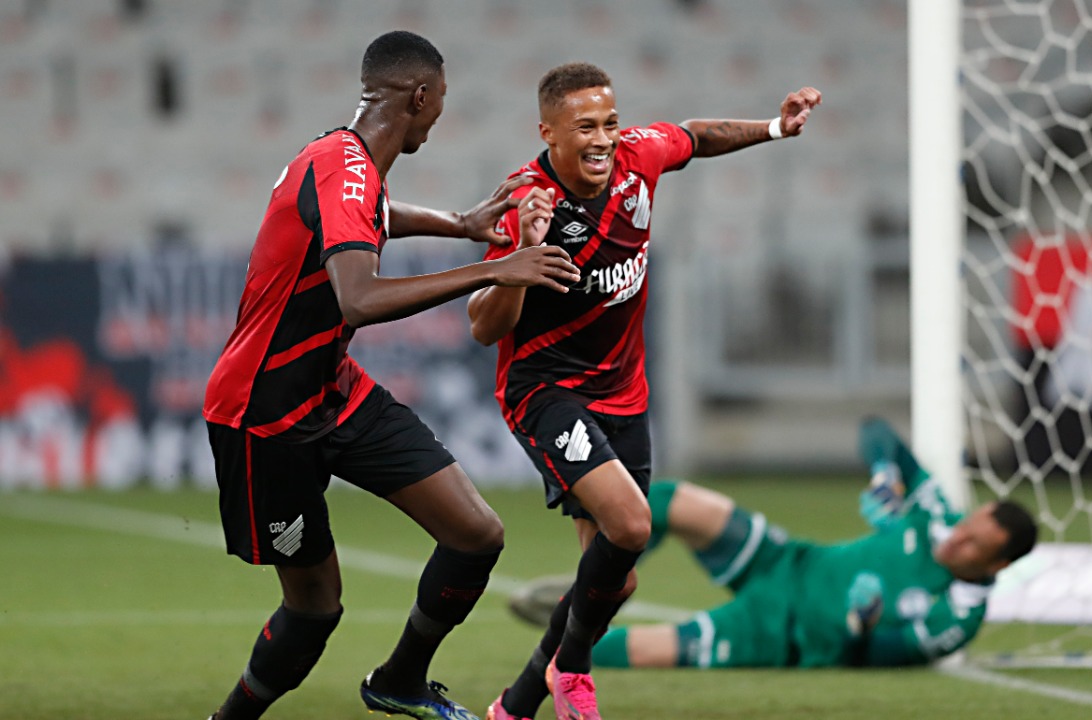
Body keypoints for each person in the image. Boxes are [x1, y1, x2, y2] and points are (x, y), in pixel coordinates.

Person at [201, 31, 580, 720]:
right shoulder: (345, 169)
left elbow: (373, 211)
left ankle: (400, 680)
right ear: (422, 95)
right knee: (315, 609)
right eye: (440, 105)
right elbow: (359, 298)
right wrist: (494, 266)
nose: (438, 119)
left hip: (331, 389)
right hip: (265, 413)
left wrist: (461, 224)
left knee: (476, 534)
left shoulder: (341, 161)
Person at [465, 61, 822, 720]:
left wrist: (775, 126)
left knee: (613, 580)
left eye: (609, 123)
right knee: (632, 524)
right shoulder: (525, 199)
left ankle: (514, 707)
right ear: (548, 131)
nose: (601, 139)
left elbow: (694, 136)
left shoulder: (638, 158)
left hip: (623, 393)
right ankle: (572, 670)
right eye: (584, 128)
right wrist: (521, 256)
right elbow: (485, 326)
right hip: (546, 390)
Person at [510, 417, 1039, 670]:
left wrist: (861, 625)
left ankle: (565, 640)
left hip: (787, 634)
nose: (958, 540)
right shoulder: (937, 514)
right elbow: (877, 432)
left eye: (974, 546)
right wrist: (884, 473)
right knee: (672, 501)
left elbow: (886, 655)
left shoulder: (958, 616)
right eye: (969, 526)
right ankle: (604, 579)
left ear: (997, 564)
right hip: (789, 560)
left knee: (640, 650)